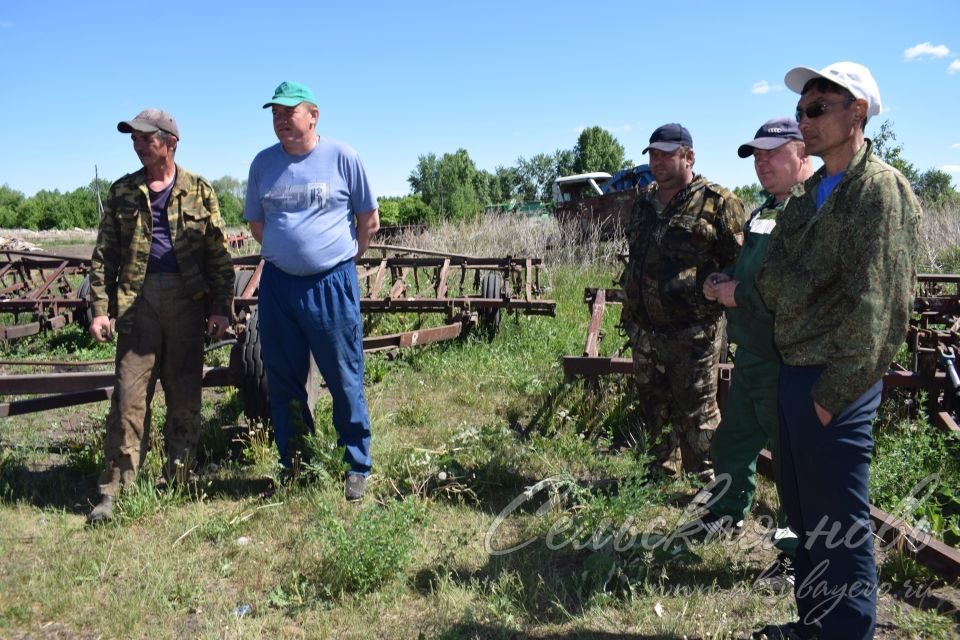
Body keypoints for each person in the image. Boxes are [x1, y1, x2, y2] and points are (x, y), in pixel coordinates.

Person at [754, 62, 920, 640]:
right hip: (796, 371)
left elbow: (882, 308)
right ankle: (814, 623)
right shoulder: (808, 194)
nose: (807, 119)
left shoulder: (880, 190)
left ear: (858, 113)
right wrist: (803, 289)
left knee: (839, 520)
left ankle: (847, 630)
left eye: (818, 108)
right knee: (805, 515)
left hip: (837, 381)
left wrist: (831, 397)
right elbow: (771, 282)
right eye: (803, 110)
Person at [87, 109, 235, 524]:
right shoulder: (122, 193)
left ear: (170, 142)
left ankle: (180, 480)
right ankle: (114, 492)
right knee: (128, 398)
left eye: (146, 137)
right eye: (133, 138)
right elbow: (104, 257)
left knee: (185, 395)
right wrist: (100, 309)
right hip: (137, 303)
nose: (137, 144)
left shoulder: (200, 191)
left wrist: (222, 308)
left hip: (188, 303)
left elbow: (218, 256)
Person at [244, 81, 380, 501]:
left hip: (331, 283)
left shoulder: (343, 157)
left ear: (313, 115)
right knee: (283, 379)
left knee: (343, 376)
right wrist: (290, 254)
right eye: (275, 113)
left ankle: (355, 465)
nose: (281, 119)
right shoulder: (263, 164)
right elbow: (257, 224)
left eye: (290, 111)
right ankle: (296, 463)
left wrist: (337, 258)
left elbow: (368, 220)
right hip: (279, 286)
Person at [693, 118, 813, 579]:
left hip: (787, 358)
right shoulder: (765, 210)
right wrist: (723, 279)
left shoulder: (811, 213)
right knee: (732, 442)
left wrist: (737, 293)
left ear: (802, 154)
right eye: (756, 155)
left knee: (792, 463)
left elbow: (795, 290)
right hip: (752, 354)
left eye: (772, 153)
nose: (762, 162)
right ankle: (726, 513)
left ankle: (794, 553)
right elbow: (752, 266)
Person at [621, 123, 746, 477]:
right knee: (653, 404)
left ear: (689, 156)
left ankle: (706, 478)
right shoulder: (643, 202)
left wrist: (721, 285)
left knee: (699, 411)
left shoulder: (718, 202)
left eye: (666, 154)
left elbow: (740, 264)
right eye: (653, 155)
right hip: (644, 330)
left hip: (692, 333)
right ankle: (661, 469)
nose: (657, 162)